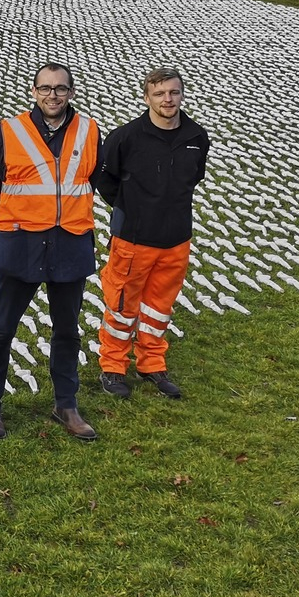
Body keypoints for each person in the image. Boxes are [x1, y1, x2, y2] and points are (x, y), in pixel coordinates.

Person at [0, 64, 101, 442]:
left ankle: (66, 403)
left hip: (70, 242)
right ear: (34, 92)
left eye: (61, 89)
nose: (53, 95)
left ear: (71, 93)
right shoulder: (10, 129)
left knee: (67, 330)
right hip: (21, 244)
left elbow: (96, 176)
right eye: (46, 88)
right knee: (1, 329)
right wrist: (10, 215)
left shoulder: (89, 130)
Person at [96, 68, 210, 399]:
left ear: (182, 94)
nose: (167, 99)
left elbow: (195, 176)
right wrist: (131, 206)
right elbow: (105, 178)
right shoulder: (126, 137)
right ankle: (113, 367)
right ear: (147, 98)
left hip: (176, 239)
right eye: (159, 94)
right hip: (133, 239)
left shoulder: (196, 137)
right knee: (121, 305)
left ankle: (151, 364)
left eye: (173, 92)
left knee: (159, 307)